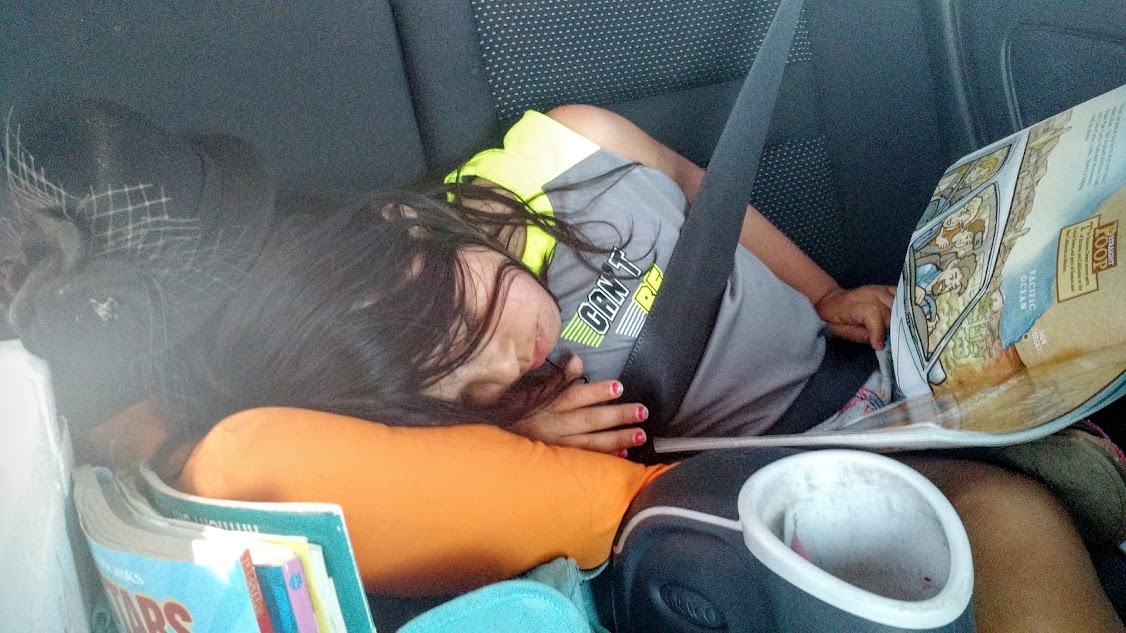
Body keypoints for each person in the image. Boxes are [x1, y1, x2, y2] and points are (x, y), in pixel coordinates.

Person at [182, 105, 1123, 632]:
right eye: (468, 386)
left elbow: (697, 186)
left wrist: (823, 290)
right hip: (791, 461)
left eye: (468, 319)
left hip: (864, 367)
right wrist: (527, 432)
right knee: (1008, 518)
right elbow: (571, 504)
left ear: (406, 225)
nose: (510, 356)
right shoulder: (512, 415)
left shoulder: (565, 144)